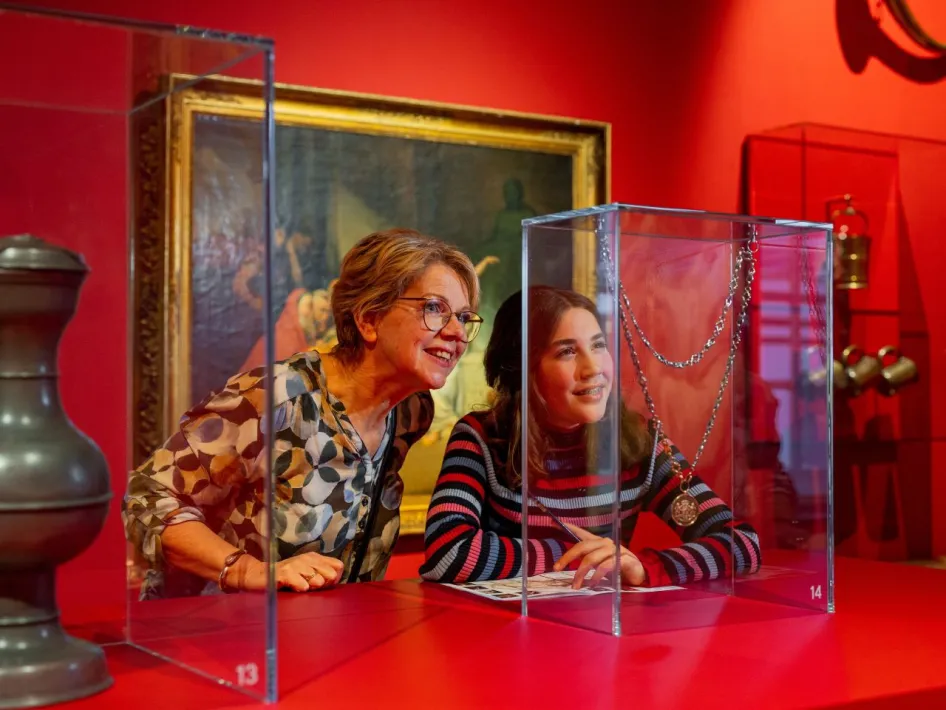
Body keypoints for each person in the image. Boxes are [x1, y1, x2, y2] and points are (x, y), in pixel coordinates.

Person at [124, 228, 483, 599]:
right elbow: (145, 497)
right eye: (434, 309)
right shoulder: (279, 396)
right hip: (221, 629)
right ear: (368, 319)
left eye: (463, 316)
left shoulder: (411, 411)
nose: (457, 332)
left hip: (324, 630)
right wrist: (249, 571)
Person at [420, 285, 761, 589]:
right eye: (567, 352)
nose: (593, 368)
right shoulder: (481, 438)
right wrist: (575, 553)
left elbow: (743, 544)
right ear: (522, 369)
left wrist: (645, 567)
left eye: (598, 346)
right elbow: (447, 553)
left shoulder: (641, 442)